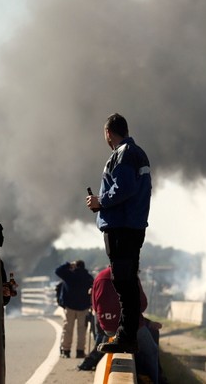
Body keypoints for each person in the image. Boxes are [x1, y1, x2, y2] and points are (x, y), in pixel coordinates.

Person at [85, 113, 151, 354]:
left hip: (122, 227)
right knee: (127, 282)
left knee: (123, 283)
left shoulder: (122, 154)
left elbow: (124, 188)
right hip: (132, 225)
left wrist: (99, 202)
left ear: (108, 133)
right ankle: (127, 336)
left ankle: (126, 336)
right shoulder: (137, 153)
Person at [89, 265, 161, 384]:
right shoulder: (130, 276)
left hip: (108, 328)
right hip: (130, 328)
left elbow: (95, 307)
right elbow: (142, 304)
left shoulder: (99, 277)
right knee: (151, 351)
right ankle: (154, 380)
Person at [54, 260, 95, 358]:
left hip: (70, 307)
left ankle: (66, 351)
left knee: (68, 329)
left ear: (74, 266)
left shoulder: (69, 275)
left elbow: (58, 271)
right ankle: (80, 351)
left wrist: (68, 264)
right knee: (82, 330)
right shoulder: (88, 277)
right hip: (84, 307)